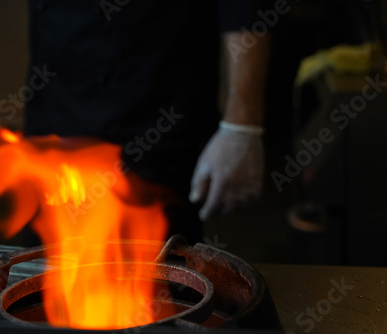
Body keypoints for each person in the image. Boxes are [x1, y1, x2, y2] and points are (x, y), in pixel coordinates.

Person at [24, 0, 271, 243]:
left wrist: (240, 126)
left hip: (154, 131)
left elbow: (245, 8)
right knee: (42, 275)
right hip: (52, 128)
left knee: (158, 277)